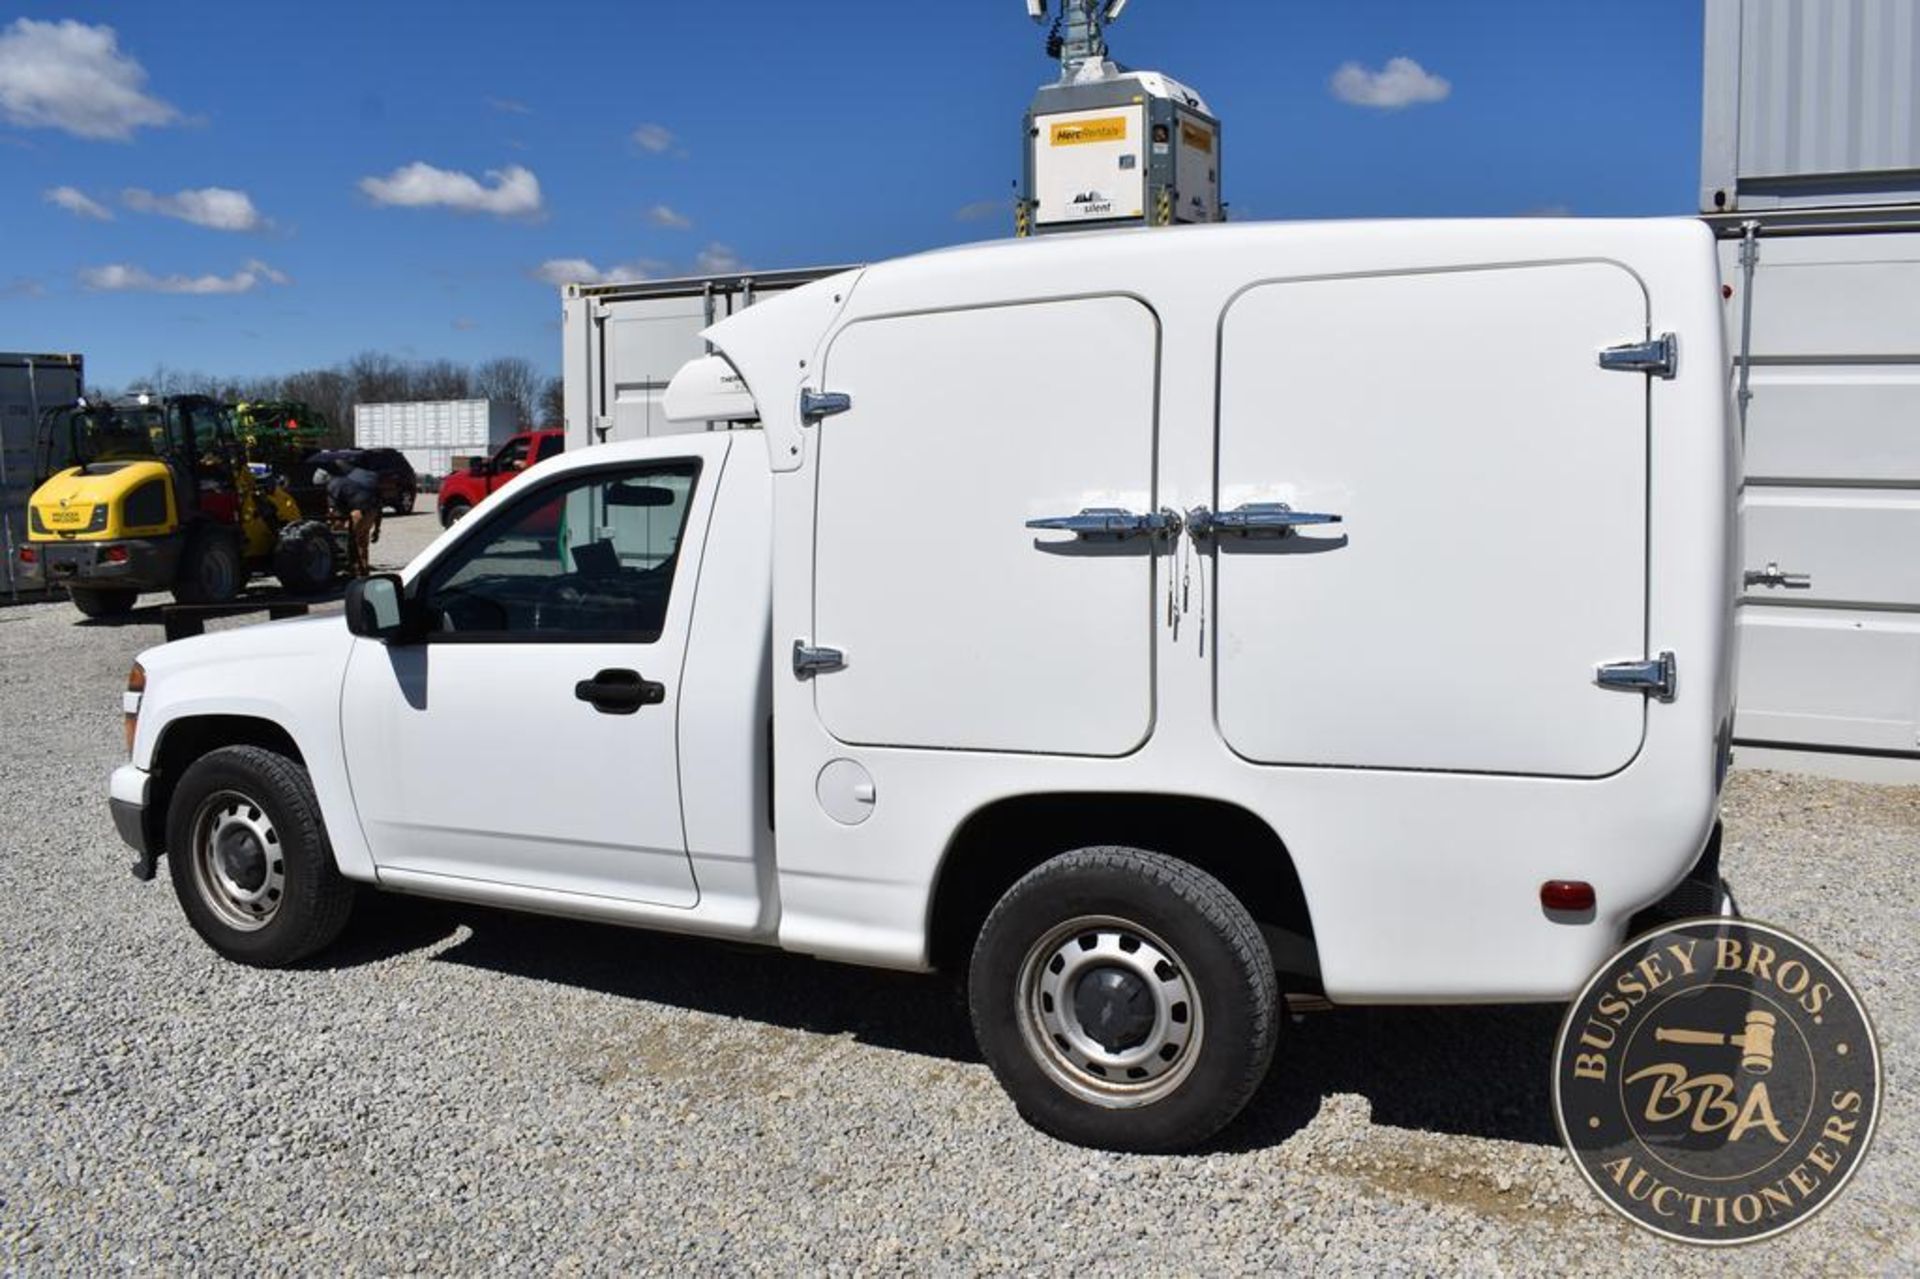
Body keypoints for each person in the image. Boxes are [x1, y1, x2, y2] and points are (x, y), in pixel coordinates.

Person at [327, 459, 382, 577]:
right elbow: (379, 503)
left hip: (358, 512)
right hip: (371, 512)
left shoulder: (335, 483)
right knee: (362, 543)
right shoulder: (365, 477)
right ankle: (364, 571)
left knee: (349, 541)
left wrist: (330, 525)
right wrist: (377, 529)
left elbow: (333, 511)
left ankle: (353, 570)